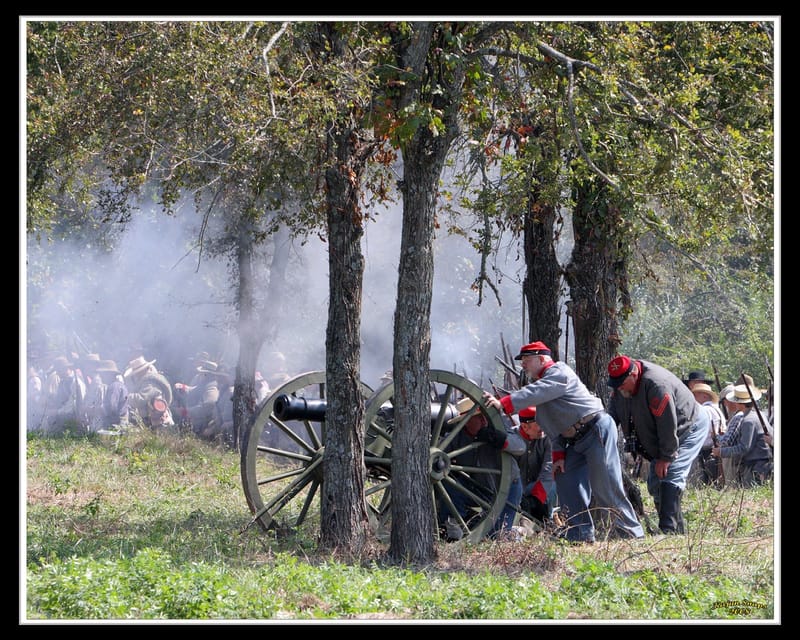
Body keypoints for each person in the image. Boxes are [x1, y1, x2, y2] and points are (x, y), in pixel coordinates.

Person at [484, 341, 644, 543]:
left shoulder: (559, 373)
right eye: (522, 361)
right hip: (574, 441)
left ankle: (632, 535)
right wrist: (558, 454)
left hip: (596, 430)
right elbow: (554, 427)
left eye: (527, 360)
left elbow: (537, 392)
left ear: (542, 359)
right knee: (565, 481)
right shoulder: (544, 387)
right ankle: (580, 534)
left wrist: (504, 403)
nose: (523, 365)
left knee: (606, 487)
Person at [606, 355, 709, 535]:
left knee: (671, 472)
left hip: (688, 426)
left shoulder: (657, 385)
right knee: (655, 483)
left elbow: (668, 423)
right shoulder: (620, 389)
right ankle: (678, 532)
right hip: (664, 434)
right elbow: (612, 418)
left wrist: (666, 456)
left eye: (622, 383)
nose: (619, 387)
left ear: (633, 374)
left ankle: (667, 531)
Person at [439, 397, 526, 541]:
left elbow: (520, 447)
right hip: (478, 488)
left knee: (496, 537)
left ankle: (519, 532)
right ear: (465, 421)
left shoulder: (497, 428)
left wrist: (498, 439)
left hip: (508, 488)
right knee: (450, 484)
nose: (484, 420)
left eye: (484, 416)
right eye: (478, 417)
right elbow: (439, 454)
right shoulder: (457, 437)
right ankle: (454, 527)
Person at [712, 385, 773, 487]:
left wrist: (721, 452)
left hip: (756, 466)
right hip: (761, 464)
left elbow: (744, 448)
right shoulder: (759, 415)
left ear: (739, 403)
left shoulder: (748, 420)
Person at [516, 406, 558, 525]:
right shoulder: (514, 437)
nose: (543, 428)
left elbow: (549, 469)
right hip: (517, 491)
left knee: (553, 484)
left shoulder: (548, 438)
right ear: (524, 427)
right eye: (539, 424)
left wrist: (536, 498)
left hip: (538, 488)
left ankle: (547, 520)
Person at [689, 383, 727, 487]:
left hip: (707, 450)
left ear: (705, 396)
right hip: (715, 449)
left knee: (708, 482)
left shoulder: (704, 410)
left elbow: (701, 431)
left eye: (696, 395)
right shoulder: (717, 410)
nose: (694, 398)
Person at [124, 355, 174, 429]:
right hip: (155, 420)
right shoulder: (147, 382)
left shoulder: (150, 383)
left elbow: (141, 399)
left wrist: (125, 397)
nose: (136, 375)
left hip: (161, 421)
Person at [95, 360, 129, 430]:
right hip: (120, 423)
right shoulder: (118, 385)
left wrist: (97, 409)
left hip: (116, 425)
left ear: (109, 374)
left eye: (102, 374)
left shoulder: (114, 387)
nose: (101, 377)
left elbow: (111, 408)